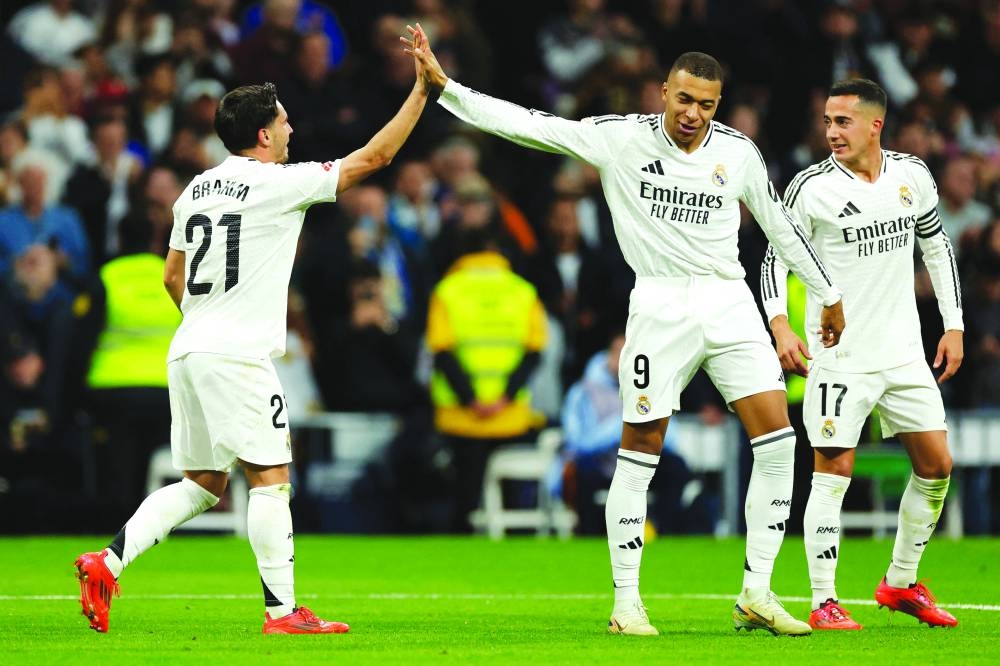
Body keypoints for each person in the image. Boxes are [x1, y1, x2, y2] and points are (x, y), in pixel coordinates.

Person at [408, 33, 846, 636]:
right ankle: (627, 602)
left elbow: (779, 225)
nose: (694, 114)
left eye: (708, 105)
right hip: (660, 304)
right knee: (641, 447)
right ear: (664, 92)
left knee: (777, 439)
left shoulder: (739, 153)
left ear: (719, 105)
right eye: (685, 99)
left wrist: (828, 294)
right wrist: (448, 90)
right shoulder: (621, 138)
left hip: (728, 299)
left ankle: (757, 592)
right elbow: (532, 126)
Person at [73, 24, 436, 635]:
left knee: (201, 483)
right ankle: (283, 611)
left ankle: (106, 561)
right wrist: (423, 90)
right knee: (271, 479)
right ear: (264, 134)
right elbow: (375, 158)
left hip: (189, 347)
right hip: (237, 353)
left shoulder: (193, 191)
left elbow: (171, 277)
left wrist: (206, 323)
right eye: (286, 123)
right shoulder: (278, 184)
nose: (293, 130)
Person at [760, 78, 963, 630]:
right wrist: (779, 325)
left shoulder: (912, 176)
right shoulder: (810, 188)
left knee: (937, 465)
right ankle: (823, 599)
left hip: (903, 354)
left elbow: (935, 248)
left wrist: (953, 325)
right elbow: (773, 259)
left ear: (876, 124)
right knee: (834, 472)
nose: (831, 132)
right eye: (827, 121)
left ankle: (900, 583)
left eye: (843, 121)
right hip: (841, 358)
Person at [426, 226, 548, 533]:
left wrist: (472, 400)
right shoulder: (523, 291)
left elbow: (442, 352)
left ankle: (459, 562)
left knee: (464, 501)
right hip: (509, 416)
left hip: (462, 417)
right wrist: (504, 397)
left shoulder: (447, 290)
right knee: (515, 503)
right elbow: (534, 353)